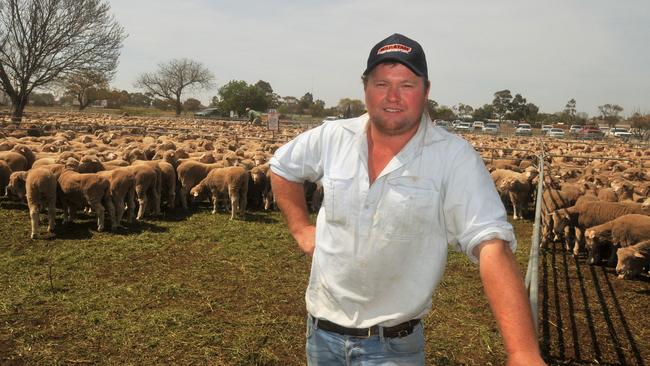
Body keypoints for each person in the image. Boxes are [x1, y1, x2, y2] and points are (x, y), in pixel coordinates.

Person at [270, 33, 545, 365]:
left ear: (426, 91)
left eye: (407, 85)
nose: (393, 96)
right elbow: (283, 166)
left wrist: (523, 352)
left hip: (392, 348)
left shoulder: (452, 157)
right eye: (381, 83)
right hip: (321, 336)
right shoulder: (333, 136)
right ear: (365, 88)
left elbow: (491, 244)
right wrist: (301, 227)